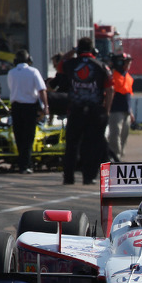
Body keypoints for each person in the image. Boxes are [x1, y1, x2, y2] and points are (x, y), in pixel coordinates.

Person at [61, 36, 113, 185]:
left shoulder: (70, 63)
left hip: (75, 110)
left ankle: (68, 177)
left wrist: (72, 51)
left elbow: (60, 62)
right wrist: (107, 110)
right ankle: (88, 177)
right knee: (91, 145)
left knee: (71, 144)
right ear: (92, 49)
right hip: (95, 111)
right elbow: (110, 89)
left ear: (78, 49)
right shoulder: (102, 66)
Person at [7, 49, 49, 174]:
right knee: (28, 137)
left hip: (16, 107)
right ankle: (25, 164)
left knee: (19, 136)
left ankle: (22, 163)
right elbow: (42, 90)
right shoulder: (33, 71)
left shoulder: (11, 72)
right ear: (29, 60)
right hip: (29, 107)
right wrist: (46, 106)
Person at [107, 53, 134, 162]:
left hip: (125, 110)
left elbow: (128, 95)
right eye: (127, 62)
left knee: (124, 134)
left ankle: (119, 155)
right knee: (115, 134)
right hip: (115, 110)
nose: (129, 64)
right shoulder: (113, 75)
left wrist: (131, 112)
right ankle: (114, 157)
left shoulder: (127, 76)